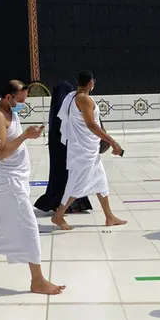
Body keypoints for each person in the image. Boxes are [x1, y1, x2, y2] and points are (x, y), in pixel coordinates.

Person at [0, 80, 65, 295]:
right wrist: (25, 135)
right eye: (20, 100)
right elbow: (1, 153)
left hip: (13, 181)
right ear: (8, 97)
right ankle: (37, 280)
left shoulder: (10, 112)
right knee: (28, 226)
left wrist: (28, 135)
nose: (23, 104)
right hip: (6, 183)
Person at [50, 71, 126, 230]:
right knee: (77, 184)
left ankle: (109, 216)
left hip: (86, 148)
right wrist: (112, 142)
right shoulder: (83, 99)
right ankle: (58, 215)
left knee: (100, 180)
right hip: (83, 151)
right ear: (90, 82)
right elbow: (91, 125)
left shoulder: (71, 96)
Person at [35, 82, 93, 213]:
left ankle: (66, 203)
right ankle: (61, 204)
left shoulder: (59, 109)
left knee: (63, 175)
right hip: (65, 146)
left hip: (59, 146)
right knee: (66, 175)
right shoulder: (65, 108)